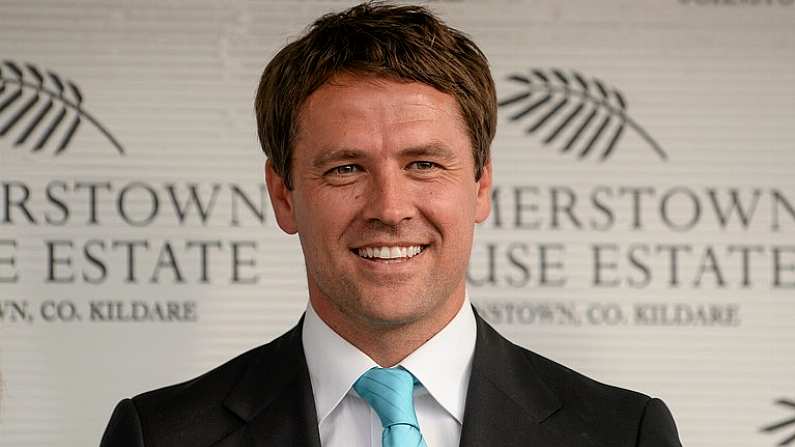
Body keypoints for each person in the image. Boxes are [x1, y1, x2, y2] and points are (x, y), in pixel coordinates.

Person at [100, 2, 683, 446]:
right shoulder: (157, 434)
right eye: (346, 168)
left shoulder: (623, 432)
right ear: (283, 194)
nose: (390, 207)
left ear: (480, 185)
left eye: (424, 164)